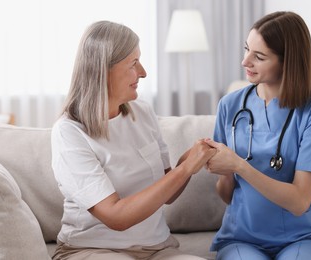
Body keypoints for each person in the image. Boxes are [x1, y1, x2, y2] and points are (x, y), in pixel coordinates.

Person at [50, 21, 216, 260]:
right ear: (103, 70)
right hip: (93, 249)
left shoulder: (143, 113)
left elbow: (167, 194)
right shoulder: (69, 132)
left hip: (157, 249)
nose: (143, 72)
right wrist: (185, 170)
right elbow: (117, 217)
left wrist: (187, 162)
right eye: (133, 63)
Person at [204, 11, 311, 260]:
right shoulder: (230, 106)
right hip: (241, 236)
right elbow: (226, 194)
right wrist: (223, 171)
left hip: (301, 235)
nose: (245, 62)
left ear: (288, 62)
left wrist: (240, 166)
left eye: (259, 56)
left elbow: (299, 202)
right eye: (246, 50)